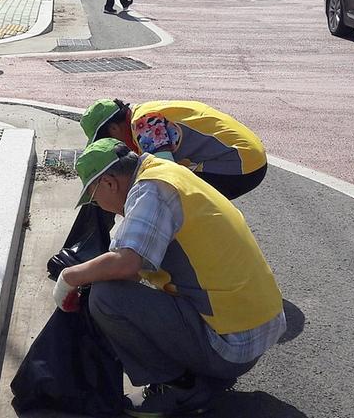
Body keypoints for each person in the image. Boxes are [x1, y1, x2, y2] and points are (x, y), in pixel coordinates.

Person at [53, 138, 286, 416]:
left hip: (232, 347)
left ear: (109, 184)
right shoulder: (166, 170)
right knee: (132, 285)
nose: (100, 206)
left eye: (93, 197)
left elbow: (126, 264)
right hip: (256, 328)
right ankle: (201, 369)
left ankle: (179, 387)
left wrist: (70, 276)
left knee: (107, 298)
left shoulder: (152, 190)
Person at [80, 99, 268, 200]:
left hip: (241, 164)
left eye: (106, 141)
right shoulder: (144, 111)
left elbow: (165, 173)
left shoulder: (144, 124)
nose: (111, 148)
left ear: (114, 128)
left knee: (173, 198)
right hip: (250, 156)